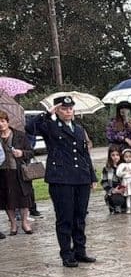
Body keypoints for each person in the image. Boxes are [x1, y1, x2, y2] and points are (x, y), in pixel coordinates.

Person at [26, 96, 98, 267]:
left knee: (80, 217)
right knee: (65, 217)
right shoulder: (49, 126)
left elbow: (84, 153)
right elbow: (29, 127)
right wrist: (46, 114)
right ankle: (66, 253)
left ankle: (80, 251)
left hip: (81, 177)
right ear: (57, 110)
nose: (68, 112)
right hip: (61, 178)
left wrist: (92, 176)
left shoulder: (79, 129)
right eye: (64, 109)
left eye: (70, 108)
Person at [0, 111, 34, 235]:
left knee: (24, 198)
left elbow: (31, 152)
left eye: (3, 121)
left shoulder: (19, 135)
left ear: (7, 122)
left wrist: (22, 153)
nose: (1, 124)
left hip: (19, 172)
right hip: (3, 172)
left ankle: (25, 222)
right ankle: (13, 224)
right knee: (7, 200)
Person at [101, 147, 127, 214]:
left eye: (117, 155)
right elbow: (104, 182)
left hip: (125, 191)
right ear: (110, 156)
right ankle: (115, 207)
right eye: (113, 155)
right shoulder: (106, 168)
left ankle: (129, 206)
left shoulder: (125, 166)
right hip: (113, 192)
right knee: (117, 199)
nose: (115, 157)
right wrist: (113, 190)